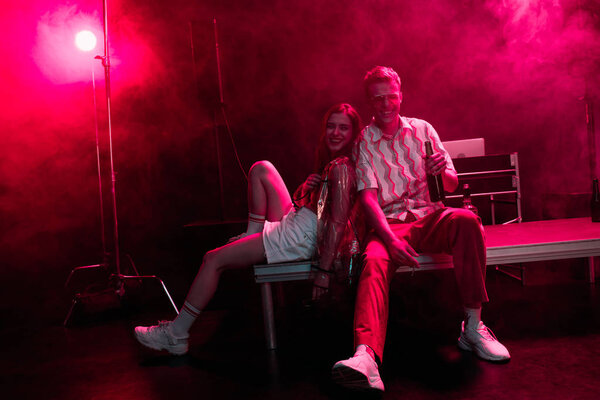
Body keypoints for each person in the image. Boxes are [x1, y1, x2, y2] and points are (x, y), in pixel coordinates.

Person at [331, 67, 510, 392]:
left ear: (401, 95)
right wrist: (388, 239)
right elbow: (369, 200)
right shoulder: (364, 141)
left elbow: (451, 185)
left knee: (467, 221)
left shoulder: (423, 130)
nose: (386, 104)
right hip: (391, 225)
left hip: (430, 217)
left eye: (391, 96)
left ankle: (472, 326)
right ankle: (366, 357)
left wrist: (442, 172)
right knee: (373, 263)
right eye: (378, 99)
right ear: (370, 102)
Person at [134, 103, 361, 355]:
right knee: (261, 168)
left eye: (343, 128)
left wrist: (323, 271)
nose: (335, 133)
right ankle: (253, 232)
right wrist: (306, 188)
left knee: (212, 259)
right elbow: (311, 206)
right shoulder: (334, 163)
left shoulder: (342, 168)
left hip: (299, 236)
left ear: (353, 133)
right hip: (299, 223)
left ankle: (177, 334)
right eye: (331, 126)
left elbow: (338, 222)